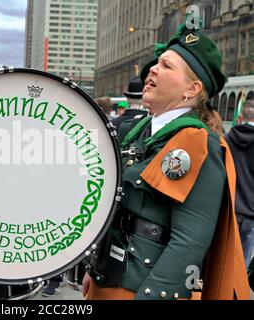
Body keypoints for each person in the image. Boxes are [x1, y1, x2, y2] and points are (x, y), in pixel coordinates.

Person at [83, 24, 250, 300]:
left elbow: (189, 242)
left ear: (192, 88)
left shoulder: (196, 142)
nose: (152, 70)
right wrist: (93, 267)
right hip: (106, 279)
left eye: (166, 66)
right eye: (156, 64)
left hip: (139, 290)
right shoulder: (138, 132)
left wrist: (152, 296)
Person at [225, 98, 254, 267]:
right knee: (240, 265)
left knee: (224, 258)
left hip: (229, 207)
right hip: (251, 212)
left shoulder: (228, 138)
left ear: (241, 115)